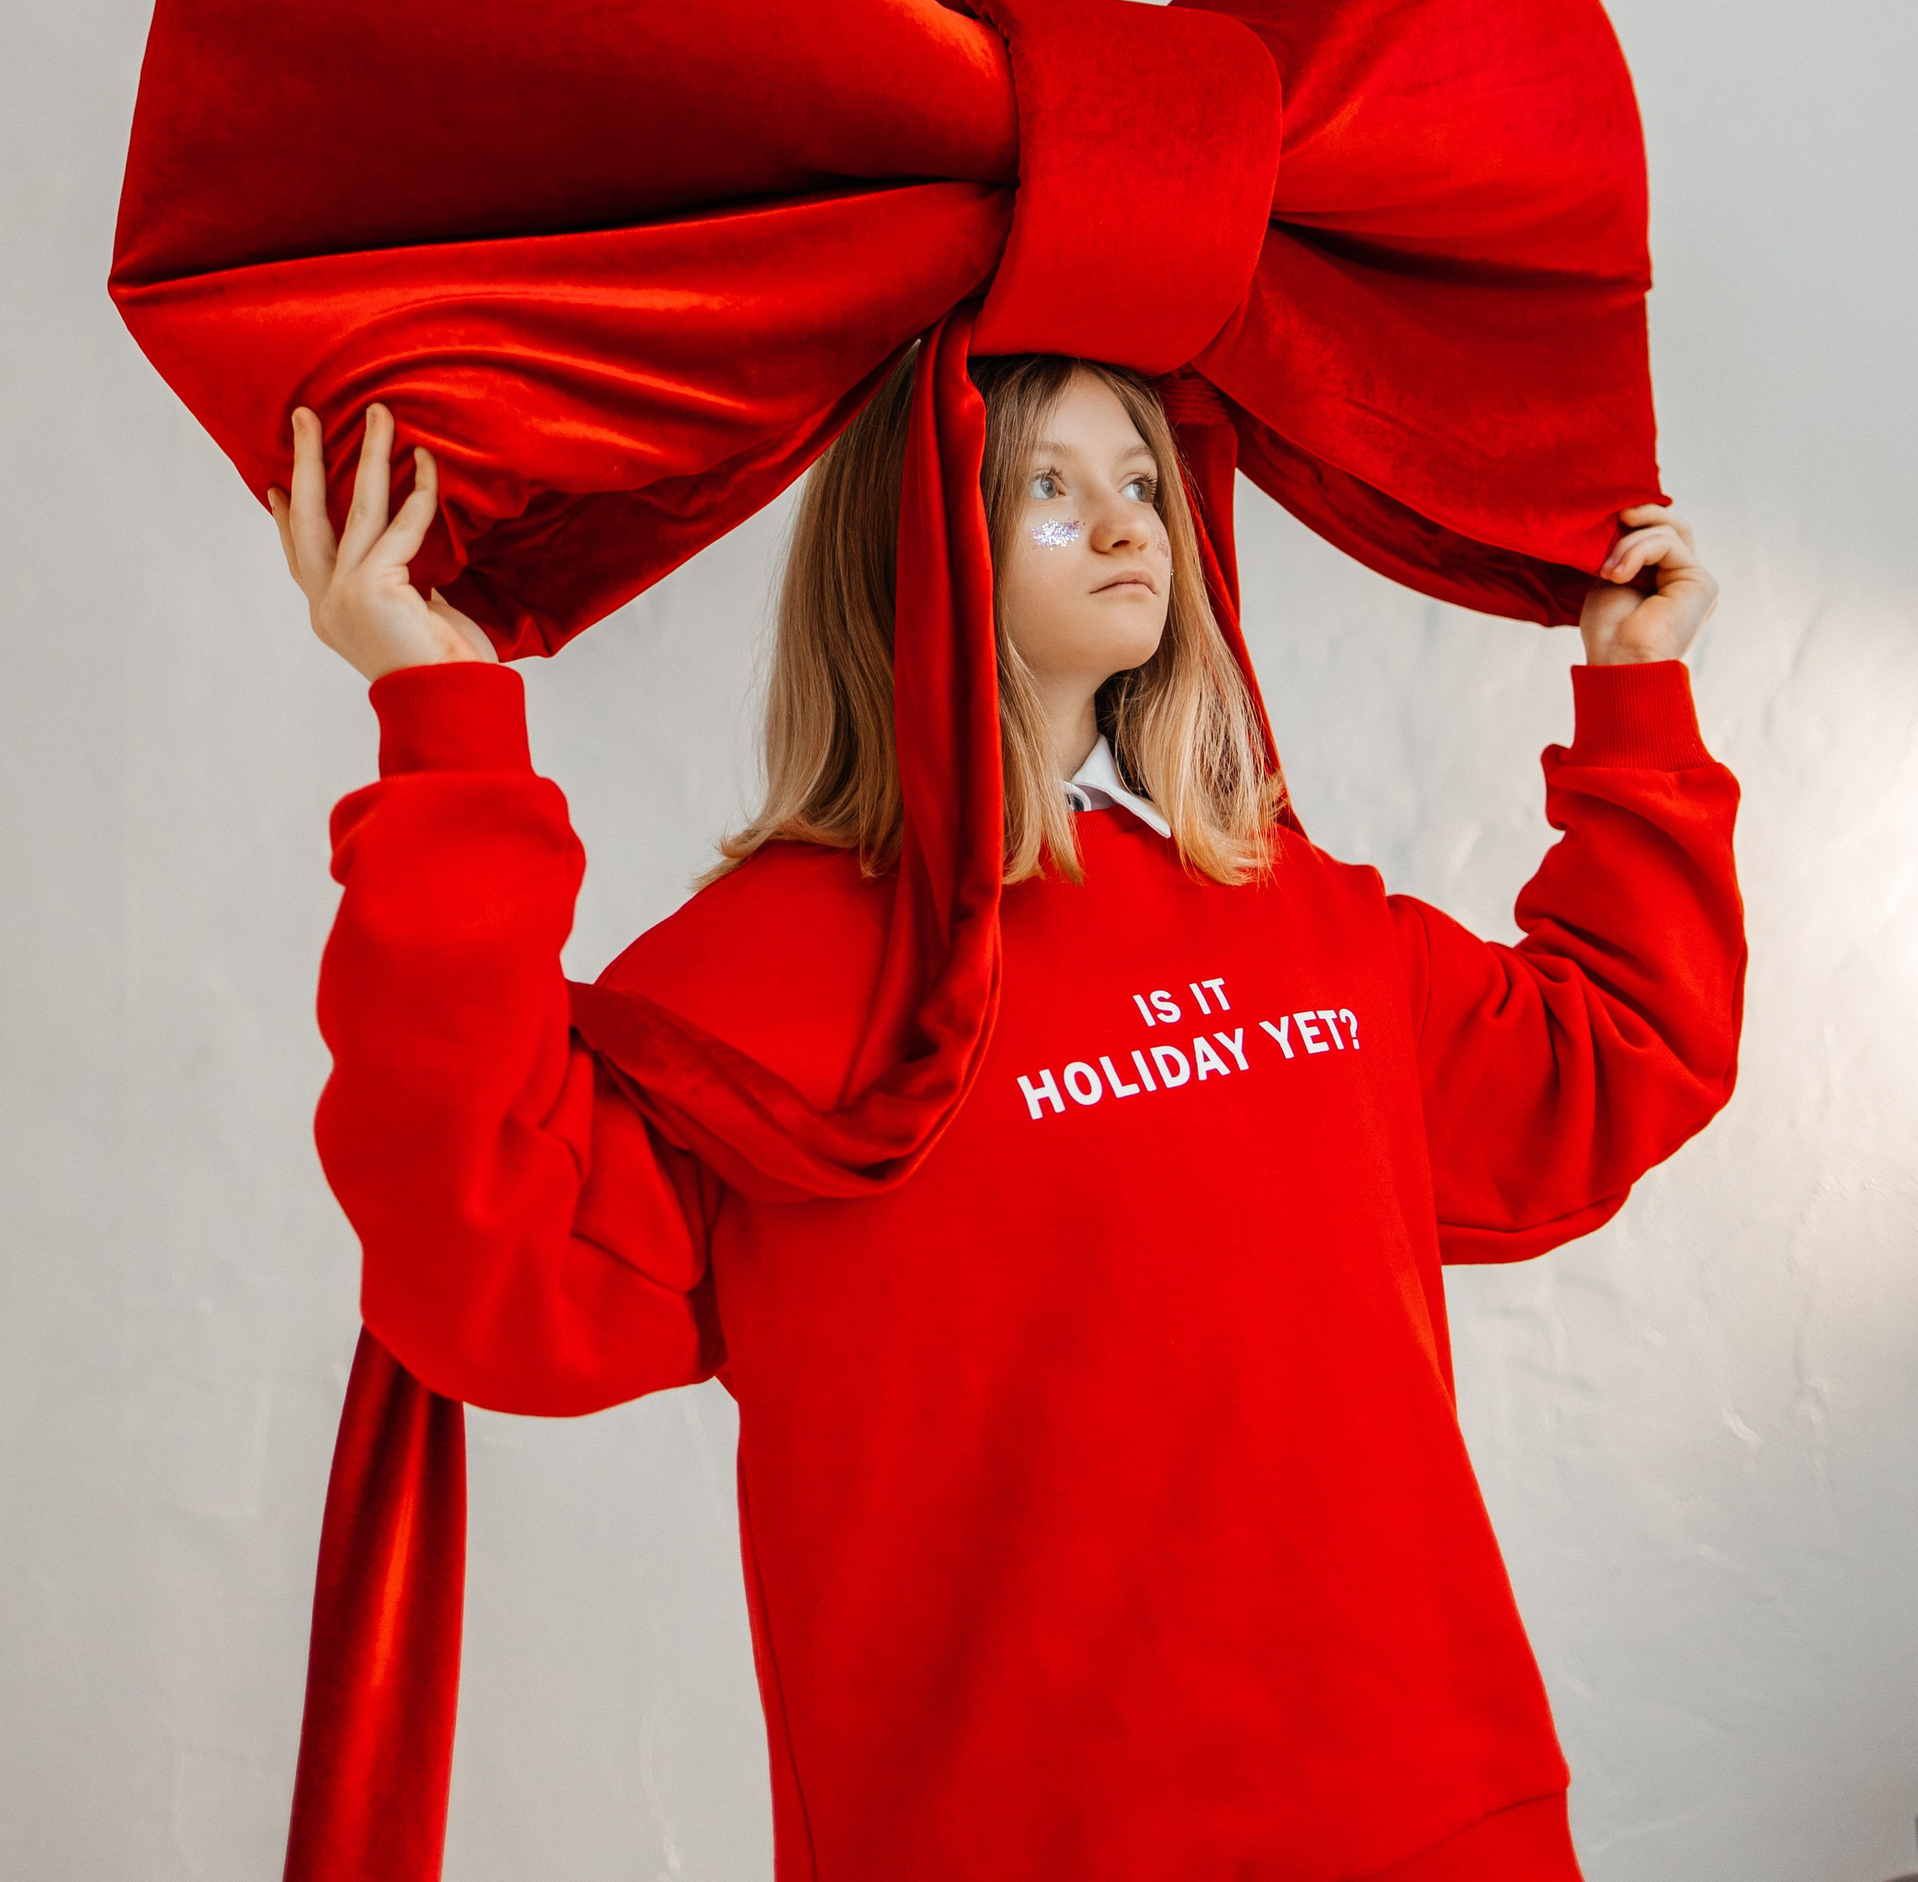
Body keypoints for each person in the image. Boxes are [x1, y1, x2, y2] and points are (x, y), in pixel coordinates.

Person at [271, 339, 1741, 1882]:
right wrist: (440, 715)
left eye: (1141, 482)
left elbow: (1613, 1056)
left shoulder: (1300, 910)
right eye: (1047, 485)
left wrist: (1637, 687)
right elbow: (486, 1260)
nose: (1123, 525)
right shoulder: (761, 983)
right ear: (920, 542)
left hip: (1445, 1827)